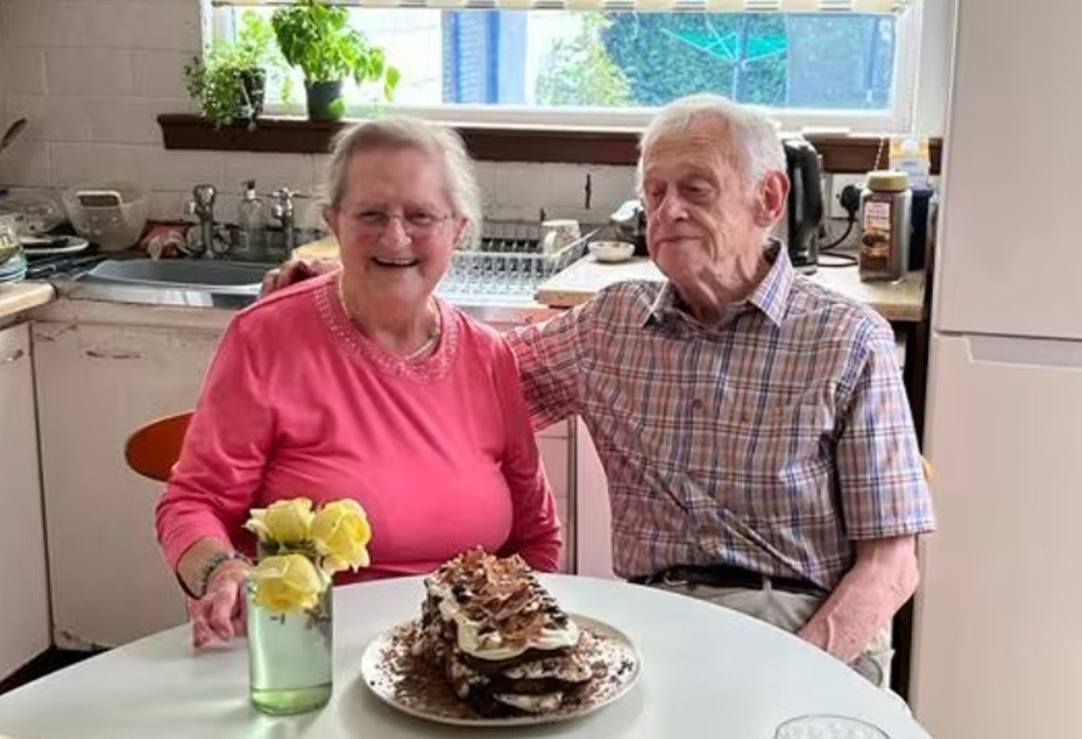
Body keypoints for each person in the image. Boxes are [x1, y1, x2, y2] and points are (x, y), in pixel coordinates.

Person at [261, 96, 936, 686]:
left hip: (804, 620)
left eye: (695, 189)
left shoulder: (849, 340)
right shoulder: (612, 325)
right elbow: (454, 376)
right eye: (655, 191)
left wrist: (797, 664)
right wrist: (344, 296)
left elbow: (892, 566)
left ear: (768, 199)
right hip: (656, 624)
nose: (667, 211)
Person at [156, 116, 561, 650]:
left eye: (421, 216)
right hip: (311, 648)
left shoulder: (489, 357)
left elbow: (537, 537)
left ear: (457, 230)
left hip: (462, 657)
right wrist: (222, 570)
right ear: (334, 221)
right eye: (371, 214)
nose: (395, 237)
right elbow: (191, 504)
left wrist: (512, 648)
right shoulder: (267, 337)